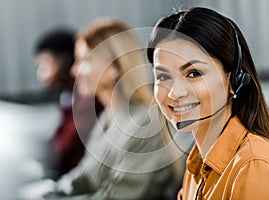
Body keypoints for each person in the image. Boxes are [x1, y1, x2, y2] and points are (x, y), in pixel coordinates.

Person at [146, 7, 269, 199]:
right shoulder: (197, 168)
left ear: (234, 79)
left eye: (193, 73)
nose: (174, 93)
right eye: (163, 76)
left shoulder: (254, 166)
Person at [37, 18, 175, 200]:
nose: (74, 71)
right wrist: (54, 190)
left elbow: (119, 195)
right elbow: (85, 174)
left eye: (84, 61)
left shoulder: (144, 123)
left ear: (113, 68)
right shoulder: (107, 117)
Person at [34, 29, 103, 177]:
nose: (41, 72)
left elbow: (66, 151)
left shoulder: (87, 99)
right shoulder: (68, 97)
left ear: (65, 61)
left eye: (46, 64)